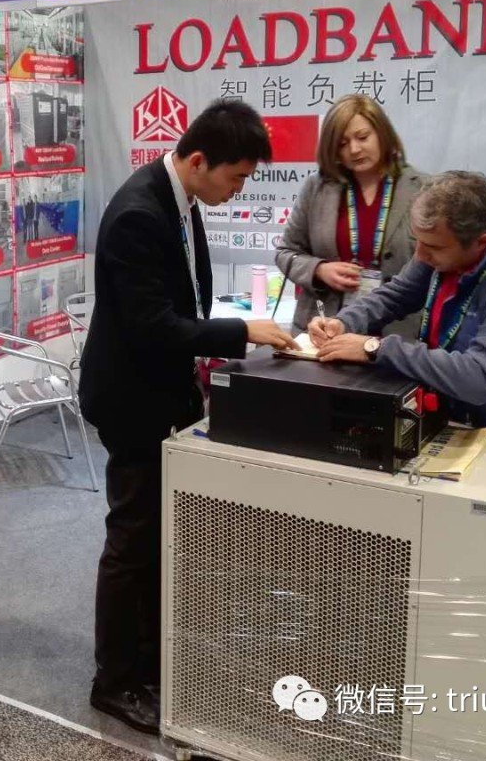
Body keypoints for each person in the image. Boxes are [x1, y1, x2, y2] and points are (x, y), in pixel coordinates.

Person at [78, 99, 298, 734]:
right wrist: (241, 332)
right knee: (132, 539)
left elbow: (184, 300)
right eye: (236, 177)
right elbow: (152, 326)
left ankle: (149, 659)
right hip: (131, 399)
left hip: (163, 392)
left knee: (156, 535)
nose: (239, 190)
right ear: (199, 160)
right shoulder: (138, 214)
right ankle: (113, 682)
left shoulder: (179, 200)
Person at [310, 170, 486, 465]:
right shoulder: (438, 250)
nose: (420, 254)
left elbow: (479, 378)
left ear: (481, 243)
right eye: (417, 241)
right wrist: (344, 322)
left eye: (433, 247)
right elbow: (395, 295)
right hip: (454, 417)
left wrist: (376, 348)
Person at [276, 95, 426, 337]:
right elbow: (285, 252)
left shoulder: (422, 189)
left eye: (363, 137)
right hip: (323, 329)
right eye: (343, 143)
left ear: (383, 134)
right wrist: (319, 270)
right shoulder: (317, 188)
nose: (354, 150)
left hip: (396, 334)